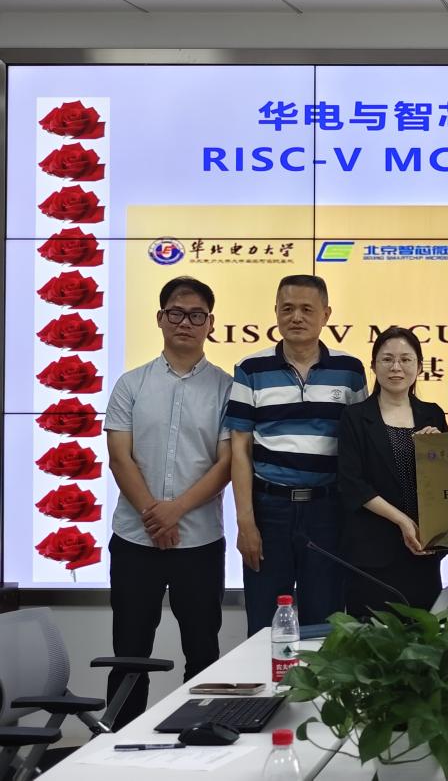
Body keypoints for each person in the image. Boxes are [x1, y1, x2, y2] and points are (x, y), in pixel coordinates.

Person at [103, 276, 232, 727]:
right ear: (160, 318)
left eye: (197, 315)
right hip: (134, 541)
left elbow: (226, 463)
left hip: (199, 544)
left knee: (203, 651)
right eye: (176, 313)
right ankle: (117, 747)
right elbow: (120, 457)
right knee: (129, 652)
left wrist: (175, 510)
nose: (185, 322)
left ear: (210, 323)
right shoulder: (131, 384)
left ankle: (199, 741)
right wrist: (153, 516)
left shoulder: (227, 389)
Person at [226, 275, 367, 635]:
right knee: (264, 626)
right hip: (269, 511)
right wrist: (245, 523)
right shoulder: (251, 369)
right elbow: (239, 448)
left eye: (307, 309)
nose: (296, 317)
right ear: (275, 312)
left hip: (328, 511)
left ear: (326, 315)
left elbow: (361, 444)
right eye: (287, 309)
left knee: (325, 623)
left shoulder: (349, 371)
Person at [338, 326, 448, 619]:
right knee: (371, 639)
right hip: (371, 552)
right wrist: (401, 520)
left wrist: (440, 451)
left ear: (419, 367)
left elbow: (446, 483)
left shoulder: (433, 414)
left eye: (405, 359)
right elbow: (352, 483)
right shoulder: (355, 417)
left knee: (424, 637)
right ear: (373, 366)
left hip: (423, 549)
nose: (396, 367)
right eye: (387, 359)